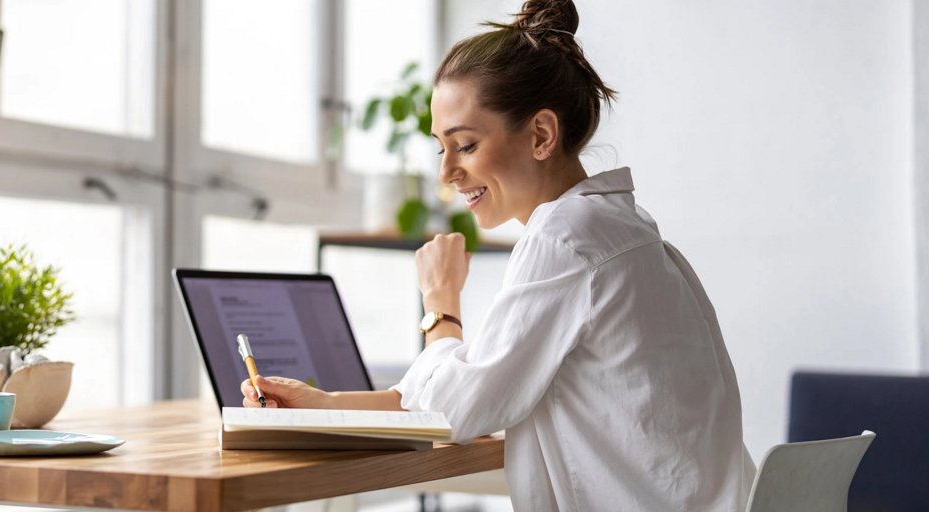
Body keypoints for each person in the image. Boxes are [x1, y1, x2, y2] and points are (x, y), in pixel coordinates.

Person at [240, 0, 756, 509]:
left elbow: (458, 409)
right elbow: (471, 382)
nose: (446, 173)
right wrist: (327, 407)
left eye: (464, 145)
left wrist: (440, 302)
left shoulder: (565, 238)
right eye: (440, 148)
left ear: (540, 135)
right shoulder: (622, 229)